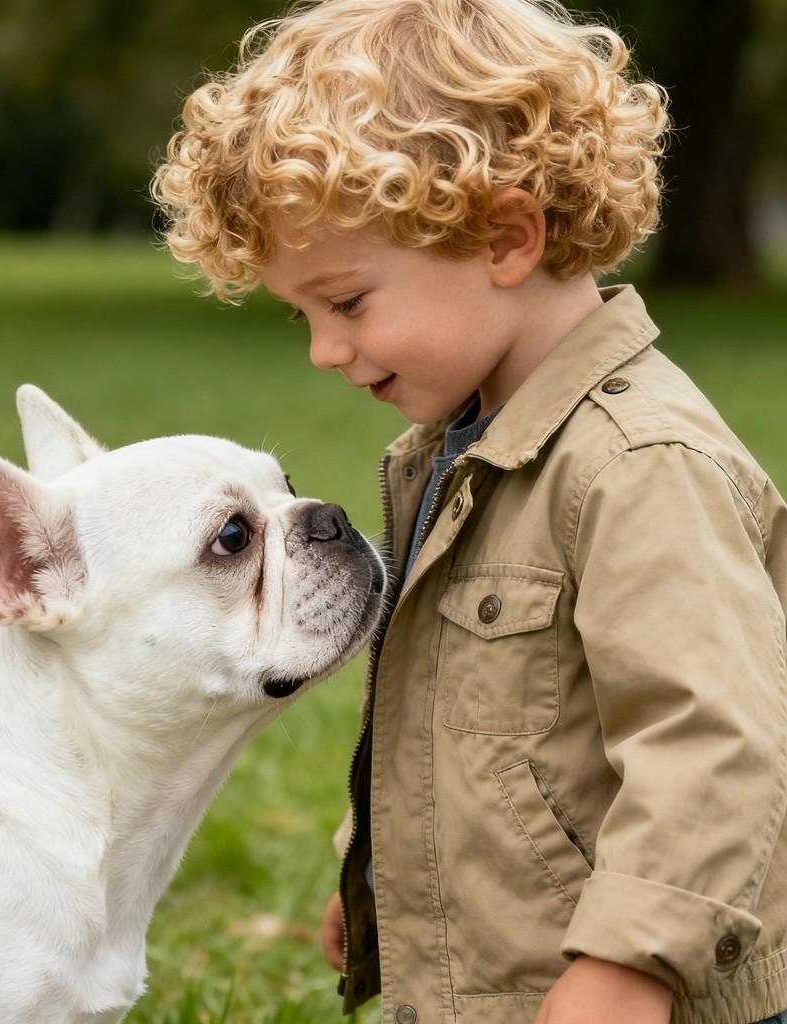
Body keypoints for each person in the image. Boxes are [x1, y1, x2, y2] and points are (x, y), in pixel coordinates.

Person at [151, 0, 787, 1021]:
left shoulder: (637, 465)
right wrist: (384, 886)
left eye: (347, 301)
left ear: (506, 235)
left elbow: (714, 741)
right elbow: (472, 727)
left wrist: (629, 964)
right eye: (302, 314)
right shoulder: (457, 451)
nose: (323, 349)